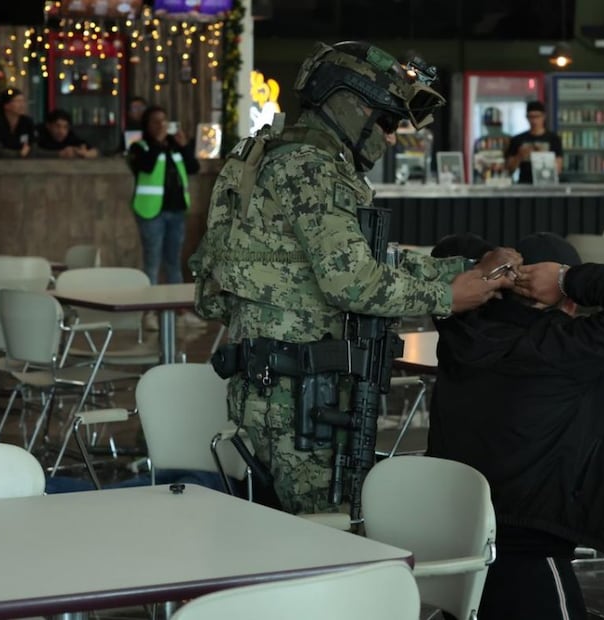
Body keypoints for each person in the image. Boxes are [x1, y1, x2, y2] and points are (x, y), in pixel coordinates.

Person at [190, 41, 520, 515]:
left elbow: (359, 261)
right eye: (387, 122)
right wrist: (445, 295)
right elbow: (353, 282)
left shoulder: (275, 156)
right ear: (350, 105)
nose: (390, 138)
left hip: (280, 386)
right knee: (322, 538)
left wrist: (465, 271)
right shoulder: (310, 168)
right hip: (301, 397)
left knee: (295, 532)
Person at [428, 232, 604, 620]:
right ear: (570, 302)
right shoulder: (568, 346)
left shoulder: (460, 332)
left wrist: (492, 267)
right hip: (531, 537)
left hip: (458, 525)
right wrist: (565, 278)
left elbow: (447, 249)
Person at [127, 104, 201, 330]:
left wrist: (185, 146)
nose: (161, 126)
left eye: (164, 121)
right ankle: (148, 313)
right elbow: (146, 168)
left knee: (173, 263)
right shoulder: (139, 147)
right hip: (151, 213)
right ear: (147, 126)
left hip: (176, 211)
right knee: (152, 262)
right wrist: (159, 144)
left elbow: (193, 167)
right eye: (155, 122)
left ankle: (179, 312)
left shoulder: (174, 147)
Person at [506, 100, 563, 184]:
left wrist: (543, 156)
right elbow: (509, 170)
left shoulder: (553, 139)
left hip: (546, 184)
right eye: (531, 117)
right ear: (527, 117)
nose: (534, 121)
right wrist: (520, 156)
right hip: (524, 184)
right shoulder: (517, 139)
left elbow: (558, 169)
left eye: (537, 116)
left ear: (544, 117)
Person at [0, 88, 34, 158]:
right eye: (18, 101)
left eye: (23, 101)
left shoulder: (27, 122)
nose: (22, 105)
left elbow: (32, 146)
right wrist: (18, 154)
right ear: (6, 105)